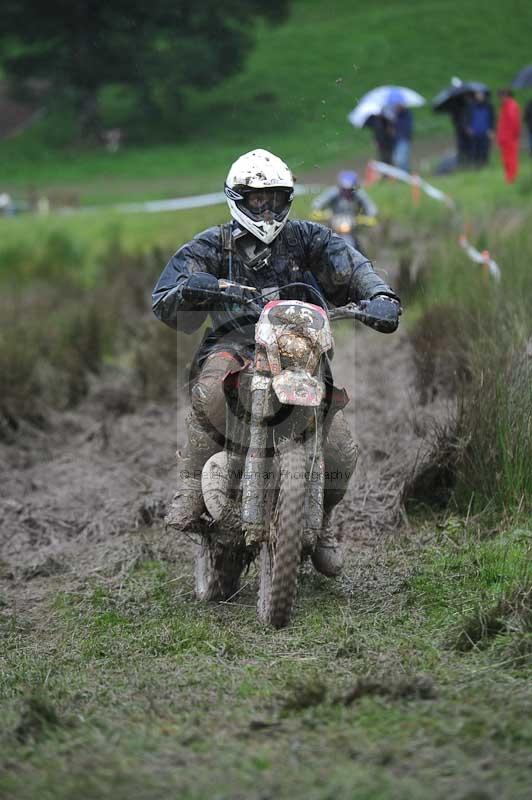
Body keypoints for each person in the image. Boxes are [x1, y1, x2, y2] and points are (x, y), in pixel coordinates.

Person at [152, 148, 401, 577]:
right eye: (256, 199)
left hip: (300, 350)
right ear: (237, 199)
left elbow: (353, 266)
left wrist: (378, 297)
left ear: (288, 199)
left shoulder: (309, 239)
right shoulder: (214, 244)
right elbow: (165, 298)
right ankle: (193, 486)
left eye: (275, 198)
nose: (266, 208)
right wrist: (196, 290)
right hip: (233, 347)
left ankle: (321, 525)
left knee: (341, 449)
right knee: (210, 392)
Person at [312, 170, 378, 218]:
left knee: (365, 234)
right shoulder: (333, 192)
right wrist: (319, 212)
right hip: (333, 221)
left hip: (355, 223)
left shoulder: (359, 194)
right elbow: (318, 202)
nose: (347, 192)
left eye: (349, 189)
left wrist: (371, 216)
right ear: (340, 186)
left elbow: (370, 206)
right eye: (344, 189)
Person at [496, 89, 521, 183]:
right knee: (506, 158)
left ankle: (511, 178)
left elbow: (514, 122)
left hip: (509, 137)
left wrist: (514, 134)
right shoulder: (506, 106)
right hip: (505, 137)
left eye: (502, 96)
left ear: (507, 95)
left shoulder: (511, 106)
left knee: (510, 158)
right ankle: (509, 177)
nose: (501, 99)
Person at [466, 91, 495, 167]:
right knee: (474, 149)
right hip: (474, 131)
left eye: (481, 95)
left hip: (485, 131)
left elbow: (492, 118)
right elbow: (467, 118)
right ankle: (475, 164)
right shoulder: (471, 106)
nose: (479, 96)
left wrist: (492, 129)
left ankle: (484, 163)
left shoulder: (489, 106)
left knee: (484, 149)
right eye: (478, 95)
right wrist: (468, 127)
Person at [392, 103, 413, 172]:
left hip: (403, 139)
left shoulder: (406, 115)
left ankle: (405, 173)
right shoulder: (395, 115)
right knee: (397, 159)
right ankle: (403, 174)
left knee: (401, 159)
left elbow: (407, 128)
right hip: (396, 140)